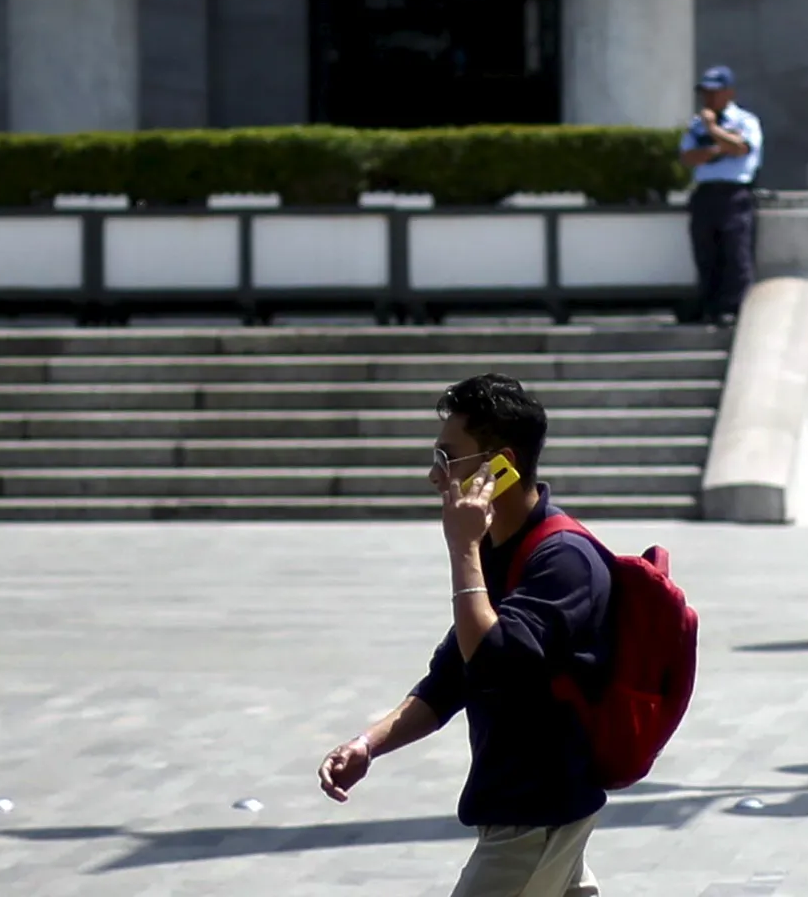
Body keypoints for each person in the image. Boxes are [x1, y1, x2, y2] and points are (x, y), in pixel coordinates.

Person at [317, 375, 614, 897]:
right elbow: (453, 677)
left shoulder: (562, 560)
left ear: (500, 464)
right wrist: (367, 744)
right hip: (527, 811)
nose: (435, 476)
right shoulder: (502, 551)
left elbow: (497, 664)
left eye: (447, 458)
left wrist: (462, 550)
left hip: (536, 813)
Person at [681, 64, 763, 327]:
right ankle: (709, 305)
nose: (708, 98)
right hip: (705, 194)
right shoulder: (696, 125)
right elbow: (689, 156)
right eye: (704, 92)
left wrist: (714, 131)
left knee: (735, 252)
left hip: (734, 194)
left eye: (714, 92)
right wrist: (720, 147)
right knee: (706, 251)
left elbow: (741, 148)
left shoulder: (745, 121)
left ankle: (733, 308)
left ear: (728, 93)